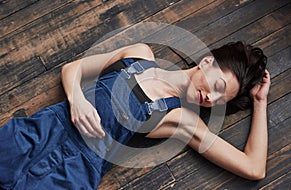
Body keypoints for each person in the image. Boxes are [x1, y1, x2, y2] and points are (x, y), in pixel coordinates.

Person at [0, 42, 270, 190]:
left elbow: (253, 168)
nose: (213, 98)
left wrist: (260, 102)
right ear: (208, 62)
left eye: (223, 99)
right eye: (219, 86)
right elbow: (73, 68)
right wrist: (77, 100)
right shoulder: (139, 55)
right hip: (40, 130)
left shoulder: (181, 119)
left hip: (72, 173)